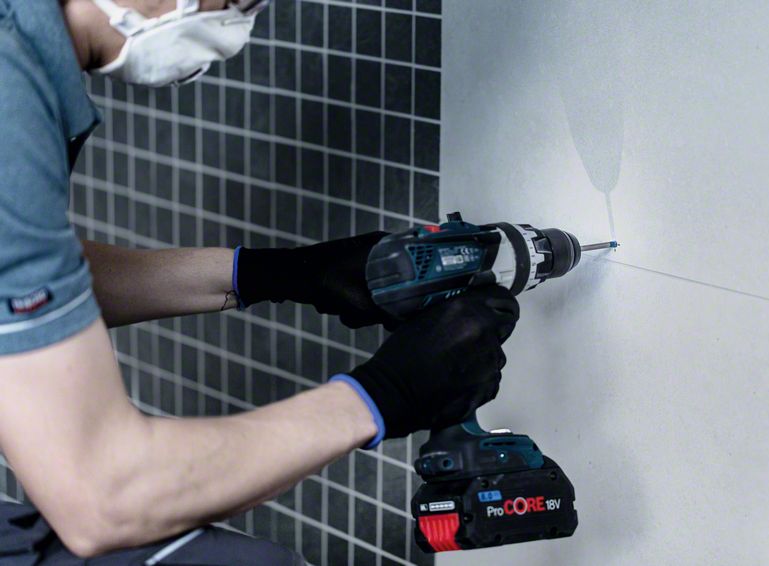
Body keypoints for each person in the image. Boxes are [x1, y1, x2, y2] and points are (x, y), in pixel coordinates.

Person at [0, 0, 520, 563]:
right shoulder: (11, 98)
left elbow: (29, 279)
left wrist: (285, 274)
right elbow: (105, 496)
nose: (237, 26)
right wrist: (385, 395)